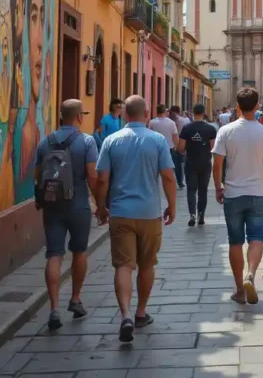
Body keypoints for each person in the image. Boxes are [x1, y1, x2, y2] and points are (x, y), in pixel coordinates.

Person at [95, 96, 177, 343]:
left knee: (123, 265)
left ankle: (126, 315)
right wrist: (172, 206)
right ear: (146, 113)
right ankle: (141, 312)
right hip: (150, 213)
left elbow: (102, 179)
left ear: (125, 115)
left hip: (120, 213)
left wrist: (100, 206)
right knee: (147, 264)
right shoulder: (157, 140)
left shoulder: (111, 140)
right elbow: (168, 177)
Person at [33, 100, 99, 330]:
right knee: (79, 251)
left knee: (54, 254)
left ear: (61, 116)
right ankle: (75, 299)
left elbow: (37, 175)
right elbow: (92, 175)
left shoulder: (45, 142)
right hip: (78, 205)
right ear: (80, 117)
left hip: (52, 206)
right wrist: (100, 203)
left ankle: (53, 309)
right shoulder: (87, 141)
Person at [213, 87, 263, 305]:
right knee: (256, 238)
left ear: (237, 107)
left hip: (232, 194)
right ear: (258, 106)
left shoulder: (225, 131)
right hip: (258, 193)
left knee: (235, 241)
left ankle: (240, 289)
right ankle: (251, 273)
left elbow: (217, 164)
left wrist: (217, 188)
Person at [178, 103, 218, 226]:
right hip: (205, 163)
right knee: (203, 190)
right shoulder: (211, 129)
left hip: (190, 162)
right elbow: (213, 148)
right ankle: (201, 214)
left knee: (191, 190)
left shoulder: (186, 129)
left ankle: (192, 215)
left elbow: (180, 148)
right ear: (204, 112)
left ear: (193, 113)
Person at [148, 104, 181, 188]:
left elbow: (148, 135)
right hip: (169, 149)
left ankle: (154, 185)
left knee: (154, 169)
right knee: (169, 170)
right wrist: (177, 147)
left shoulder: (152, 122)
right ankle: (168, 185)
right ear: (165, 112)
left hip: (154, 149)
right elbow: (175, 137)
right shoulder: (171, 123)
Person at [169, 105, 190, 190]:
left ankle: (179, 181)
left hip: (176, 145)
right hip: (180, 145)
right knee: (179, 165)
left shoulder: (176, 121)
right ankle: (180, 181)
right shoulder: (185, 120)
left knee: (178, 165)